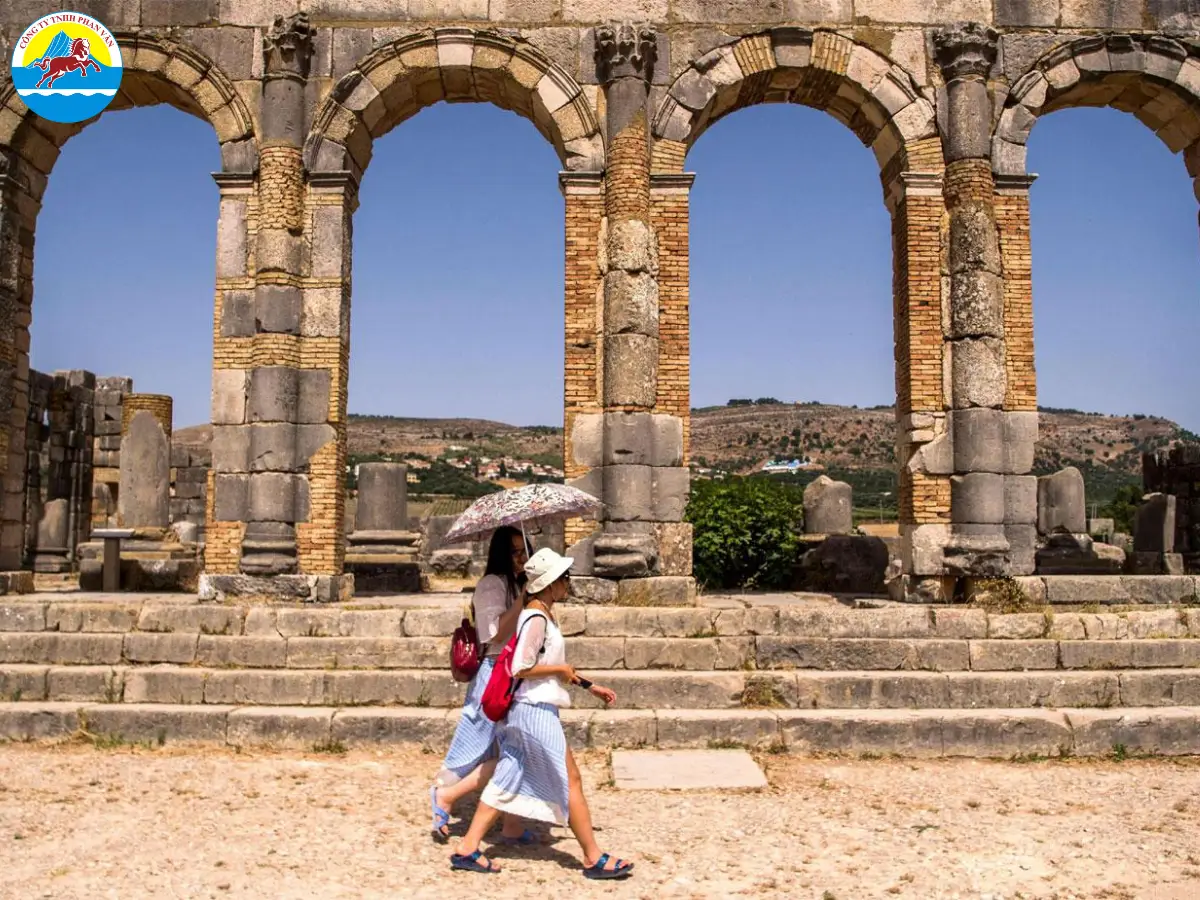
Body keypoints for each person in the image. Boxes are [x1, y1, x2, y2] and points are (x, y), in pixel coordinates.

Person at [449, 548, 634, 880]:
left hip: (528, 709)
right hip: (534, 711)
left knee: (507, 776)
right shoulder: (535, 616)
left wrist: (590, 685)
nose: (568, 583)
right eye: (564, 578)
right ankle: (593, 857)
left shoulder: (541, 614)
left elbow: (550, 666)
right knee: (571, 779)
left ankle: (467, 848)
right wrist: (561, 669)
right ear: (549, 583)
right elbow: (521, 666)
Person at [430, 526, 533, 844]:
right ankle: (446, 794)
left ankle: (511, 824)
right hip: (494, 672)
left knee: (513, 748)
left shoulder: (517, 584)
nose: (521, 558)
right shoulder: (492, 585)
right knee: (504, 749)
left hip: (514, 672)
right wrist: (525, 599)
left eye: (524, 550)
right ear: (502, 554)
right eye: (515, 552)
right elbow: (494, 634)